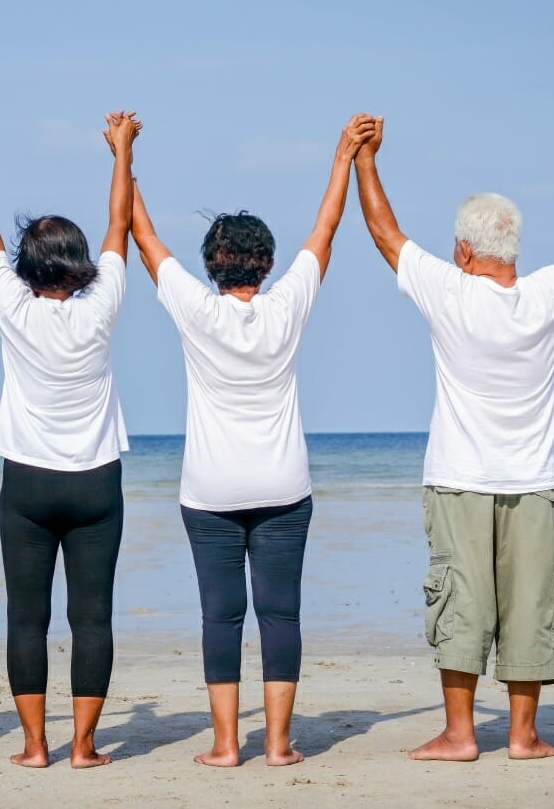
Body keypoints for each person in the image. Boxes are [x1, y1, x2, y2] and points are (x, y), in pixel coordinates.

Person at [352, 117, 554, 760]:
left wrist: (364, 161)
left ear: (462, 250)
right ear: (514, 250)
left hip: (458, 477)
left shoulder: (449, 292)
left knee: (462, 597)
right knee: (532, 599)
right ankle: (521, 734)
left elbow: (384, 233)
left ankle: (460, 735)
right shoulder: (548, 296)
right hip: (534, 481)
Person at [121, 115, 378, 767]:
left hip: (209, 491)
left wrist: (124, 157)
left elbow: (141, 236)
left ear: (211, 263)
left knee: (221, 617)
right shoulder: (286, 304)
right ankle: (280, 744)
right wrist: (343, 155)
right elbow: (326, 229)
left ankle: (227, 744)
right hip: (284, 487)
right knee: (280, 616)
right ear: (265, 263)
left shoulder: (195, 308)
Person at [0, 108, 141, 768]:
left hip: (26, 483)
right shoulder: (104, 303)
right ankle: (84, 747)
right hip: (96, 482)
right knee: (93, 617)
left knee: (26, 617)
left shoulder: (12, 305)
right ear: (80, 264)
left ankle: (34, 746)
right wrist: (121, 151)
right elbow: (119, 223)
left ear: (27, 265)